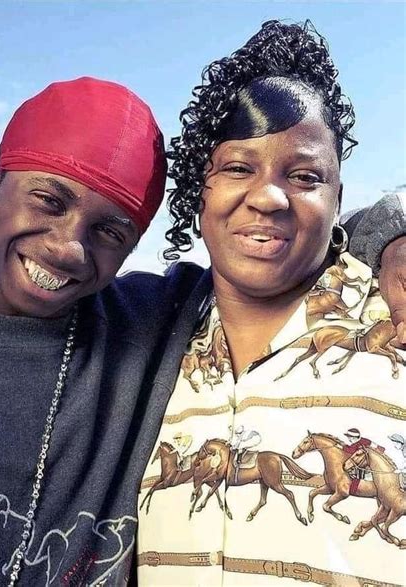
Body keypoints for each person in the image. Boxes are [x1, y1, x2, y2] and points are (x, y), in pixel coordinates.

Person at [0, 43, 404, 587]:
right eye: (48, 200)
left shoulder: (388, 323)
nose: (67, 249)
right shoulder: (161, 326)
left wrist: (391, 230)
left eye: (304, 178)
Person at [137, 21, 405, 586]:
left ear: (337, 198)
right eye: (238, 167)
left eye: (305, 175)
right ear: (198, 188)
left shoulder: (394, 327)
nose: (268, 196)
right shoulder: (140, 336)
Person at [0, 75, 179, 586]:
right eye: (49, 200)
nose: (69, 248)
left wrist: (389, 248)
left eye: (110, 231)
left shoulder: (147, 325)